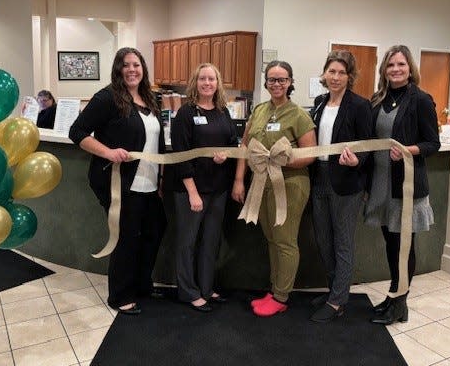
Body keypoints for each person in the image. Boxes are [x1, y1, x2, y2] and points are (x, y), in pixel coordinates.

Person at [68, 47, 166, 315]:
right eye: (126, 65)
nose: (132, 69)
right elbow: (76, 132)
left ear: (143, 68)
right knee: (126, 239)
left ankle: (141, 285)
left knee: (154, 232)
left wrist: (161, 178)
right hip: (120, 184)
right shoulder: (107, 98)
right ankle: (120, 296)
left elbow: (157, 142)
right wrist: (109, 152)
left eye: (136, 64)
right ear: (118, 69)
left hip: (149, 184)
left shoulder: (150, 98)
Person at [231, 60, 316, 317]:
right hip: (261, 182)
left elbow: (310, 154)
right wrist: (238, 180)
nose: (276, 84)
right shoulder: (259, 110)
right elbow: (245, 147)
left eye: (282, 79)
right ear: (265, 82)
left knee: (284, 240)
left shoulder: (298, 114)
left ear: (290, 82)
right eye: (272, 79)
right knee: (271, 237)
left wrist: (281, 160)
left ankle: (281, 296)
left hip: (289, 183)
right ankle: (274, 288)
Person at [365, 44, 440, 325]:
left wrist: (409, 150)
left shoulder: (421, 99)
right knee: (390, 244)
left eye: (401, 65)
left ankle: (400, 304)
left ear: (410, 69)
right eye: (391, 65)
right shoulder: (377, 99)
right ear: (384, 70)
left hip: (406, 187)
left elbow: (433, 143)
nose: (396, 70)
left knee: (403, 247)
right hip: (382, 184)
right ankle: (394, 295)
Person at [308, 50, 372, 322]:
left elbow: (368, 143)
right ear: (324, 73)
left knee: (342, 242)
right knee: (323, 240)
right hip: (319, 176)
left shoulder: (359, 105)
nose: (335, 77)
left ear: (349, 76)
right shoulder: (320, 103)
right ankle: (335, 288)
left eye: (341, 72)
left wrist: (357, 159)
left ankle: (337, 301)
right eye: (331, 71)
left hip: (346, 182)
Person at [170, 63, 238, 312]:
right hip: (191, 190)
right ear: (195, 83)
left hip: (217, 189)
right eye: (202, 79)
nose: (207, 83)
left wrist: (225, 155)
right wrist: (192, 192)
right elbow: (181, 155)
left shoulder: (223, 112)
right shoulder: (185, 114)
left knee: (211, 240)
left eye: (212, 79)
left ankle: (207, 288)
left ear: (218, 83)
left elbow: (232, 143)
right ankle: (188, 292)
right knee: (187, 241)